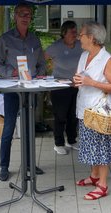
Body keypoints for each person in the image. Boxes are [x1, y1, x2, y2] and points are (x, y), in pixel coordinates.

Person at [0, 3, 46, 181]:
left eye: (28, 15)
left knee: (29, 128)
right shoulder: (5, 39)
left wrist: (40, 74)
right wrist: (12, 73)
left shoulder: (34, 40)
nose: (25, 17)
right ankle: (4, 166)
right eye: (22, 14)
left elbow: (41, 64)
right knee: (9, 128)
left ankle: (30, 163)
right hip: (13, 90)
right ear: (15, 16)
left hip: (30, 91)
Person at [73, 21, 111, 200]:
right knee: (89, 144)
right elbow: (81, 78)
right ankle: (93, 176)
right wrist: (77, 80)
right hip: (84, 107)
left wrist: (90, 82)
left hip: (100, 111)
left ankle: (102, 184)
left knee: (101, 147)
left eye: (81, 35)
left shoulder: (106, 59)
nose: (79, 38)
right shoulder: (84, 55)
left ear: (91, 38)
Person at [45, 21, 83, 155]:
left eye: (75, 31)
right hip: (60, 88)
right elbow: (42, 59)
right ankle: (58, 143)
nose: (75, 34)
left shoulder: (80, 45)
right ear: (64, 33)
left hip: (77, 86)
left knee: (74, 115)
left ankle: (72, 140)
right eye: (72, 32)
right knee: (60, 116)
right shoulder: (55, 47)